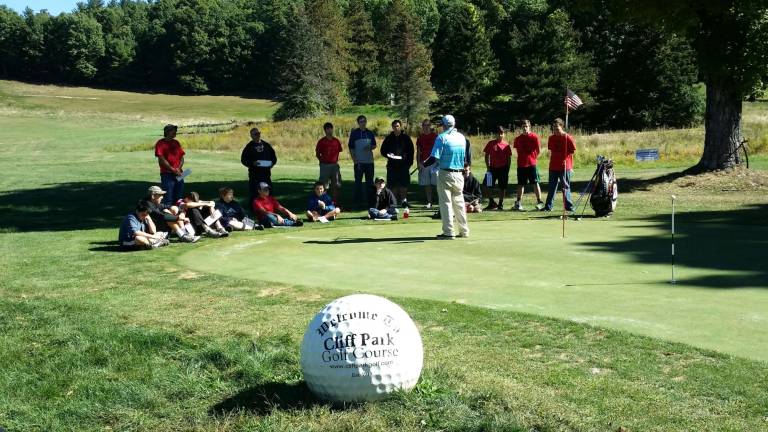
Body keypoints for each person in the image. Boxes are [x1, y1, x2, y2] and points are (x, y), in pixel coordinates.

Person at [423, 115, 469, 239]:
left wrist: (424, 164)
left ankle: (449, 232)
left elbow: (434, 157)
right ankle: (464, 231)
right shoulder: (461, 137)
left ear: (444, 125)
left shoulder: (441, 137)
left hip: (445, 173)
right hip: (459, 174)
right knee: (459, 202)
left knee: (446, 203)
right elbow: (465, 157)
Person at [542, 118, 576, 212]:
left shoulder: (567, 137)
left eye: (557, 127)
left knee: (565, 187)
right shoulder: (551, 138)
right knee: (552, 187)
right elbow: (551, 151)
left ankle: (568, 207)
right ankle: (548, 207)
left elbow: (572, 151)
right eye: (554, 127)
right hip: (553, 166)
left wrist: (568, 162)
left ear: (561, 126)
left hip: (565, 166)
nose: (555, 129)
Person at [380, 119, 414, 207]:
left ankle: (403, 201)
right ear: (392, 127)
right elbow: (383, 150)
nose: (396, 128)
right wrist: (388, 154)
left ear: (400, 127)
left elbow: (411, 152)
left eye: (397, 126)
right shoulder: (388, 138)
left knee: (403, 184)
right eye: (394, 126)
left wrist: (408, 164)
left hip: (403, 165)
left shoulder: (406, 138)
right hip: (392, 165)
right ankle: (394, 201)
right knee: (392, 184)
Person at [513, 119, 545, 211]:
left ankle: (539, 202)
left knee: (535, 183)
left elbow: (538, 150)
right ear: (521, 128)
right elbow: (517, 151)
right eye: (523, 127)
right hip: (521, 164)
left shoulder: (534, 137)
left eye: (526, 126)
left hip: (532, 164)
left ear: (529, 127)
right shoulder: (518, 139)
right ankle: (518, 203)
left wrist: (533, 158)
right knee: (520, 184)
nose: (525, 128)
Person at [241, 127, 277, 207]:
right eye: (255, 134)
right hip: (255, 174)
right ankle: (254, 208)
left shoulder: (266, 145)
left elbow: (273, 157)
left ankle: (270, 206)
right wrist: (252, 163)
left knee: (268, 190)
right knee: (254, 191)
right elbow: (243, 160)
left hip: (266, 173)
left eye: (258, 133)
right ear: (251, 136)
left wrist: (272, 163)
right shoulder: (249, 147)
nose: (257, 135)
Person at [348, 115, 377, 207]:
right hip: (359, 162)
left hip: (369, 162)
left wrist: (370, 147)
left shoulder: (370, 133)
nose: (363, 123)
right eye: (361, 121)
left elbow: (374, 145)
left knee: (370, 182)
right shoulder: (354, 133)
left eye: (364, 121)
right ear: (358, 123)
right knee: (358, 182)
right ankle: (357, 200)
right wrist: (355, 160)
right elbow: (351, 148)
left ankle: (370, 200)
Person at [154, 124, 186, 206]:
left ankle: (178, 214)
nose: (175, 132)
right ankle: (167, 214)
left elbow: (181, 157)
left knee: (179, 197)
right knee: (168, 197)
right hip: (167, 174)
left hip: (179, 173)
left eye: (175, 131)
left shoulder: (176, 143)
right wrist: (173, 169)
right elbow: (161, 159)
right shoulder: (160, 143)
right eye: (173, 131)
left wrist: (179, 168)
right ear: (167, 132)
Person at [482, 126, 512, 211]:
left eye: (501, 133)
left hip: (503, 169)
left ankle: (500, 204)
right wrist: (488, 167)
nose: (500, 135)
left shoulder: (506, 145)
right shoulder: (491, 143)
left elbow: (509, 158)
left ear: (504, 134)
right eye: (498, 133)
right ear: (496, 134)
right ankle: (491, 202)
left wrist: (507, 169)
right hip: (492, 169)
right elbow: (487, 155)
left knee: (502, 187)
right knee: (487, 185)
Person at [316, 122, 343, 205]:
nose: (329, 130)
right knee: (324, 186)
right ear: (325, 130)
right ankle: (323, 202)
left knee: (336, 185)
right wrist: (322, 161)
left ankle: (335, 203)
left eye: (330, 128)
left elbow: (339, 151)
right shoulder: (322, 141)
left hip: (335, 165)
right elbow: (317, 153)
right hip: (325, 165)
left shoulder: (336, 141)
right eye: (327, 129)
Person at [416, 119, 438, 209]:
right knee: (427, 184)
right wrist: (418, 163)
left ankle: (441, 201)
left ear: (430, 126)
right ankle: (429, 202)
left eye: (428, 125)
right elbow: (418, 151)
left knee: (437, 183)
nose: (426, 127)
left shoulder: (435, 136)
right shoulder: (420, 137)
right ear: (422, 126)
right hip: (424, 164)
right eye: (424, 125)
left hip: (434, 163)